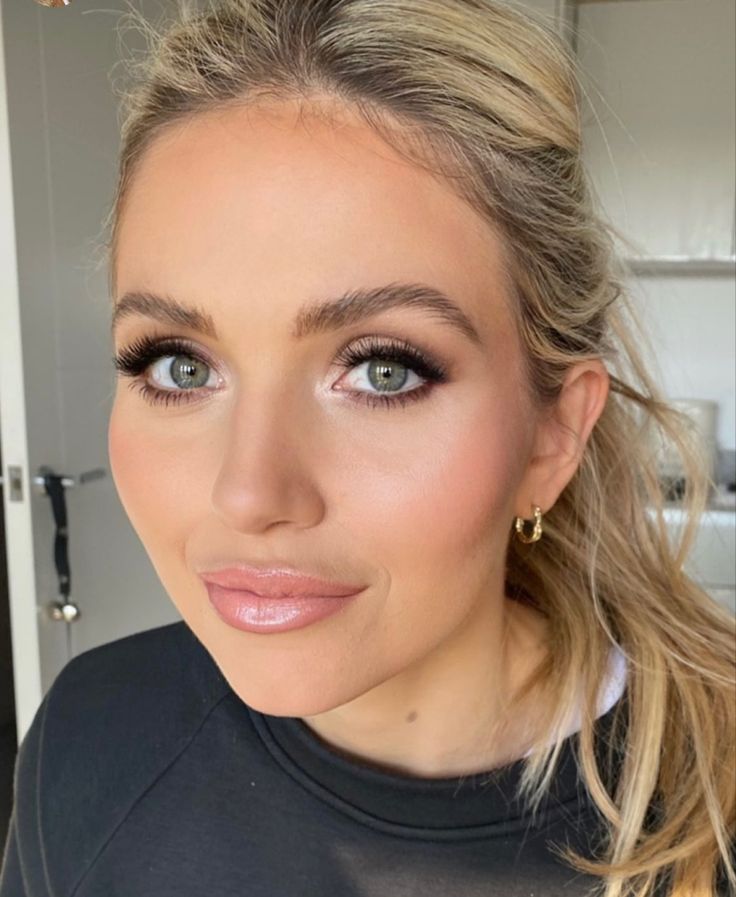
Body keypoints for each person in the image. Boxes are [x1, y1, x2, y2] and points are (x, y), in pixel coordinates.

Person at [1, 1, 734, 895]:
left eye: (383, 371)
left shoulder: (715, 814)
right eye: (180, 365)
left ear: (553, 435)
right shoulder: (91, 736)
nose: (250, 492)